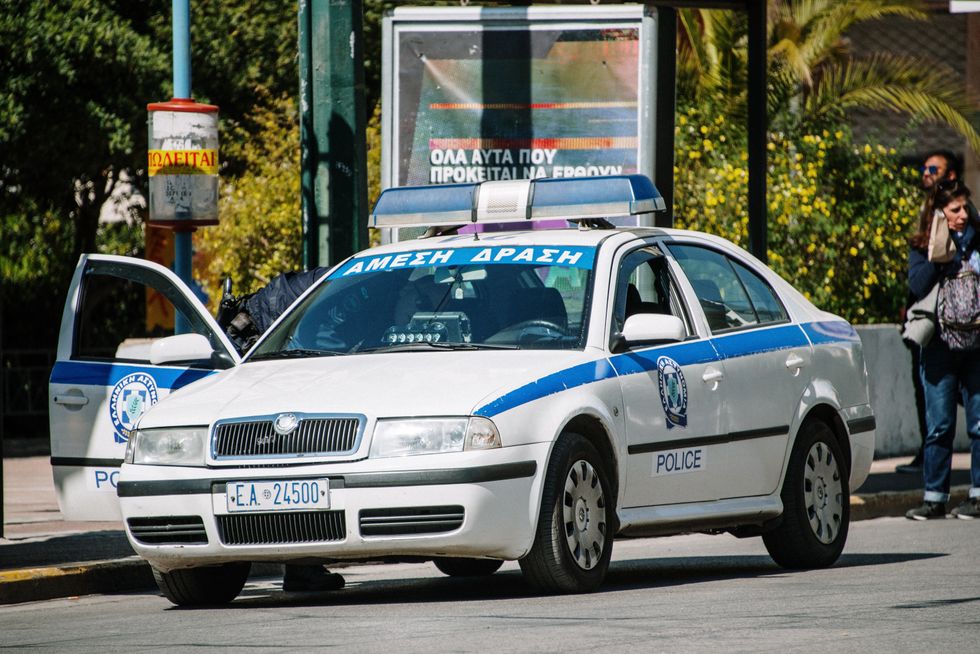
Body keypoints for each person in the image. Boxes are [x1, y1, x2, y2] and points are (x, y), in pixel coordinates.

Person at [905, 178, 980, 520]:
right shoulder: (922, 248)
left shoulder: (978, 242)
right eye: (955, 209)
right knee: (940, 425)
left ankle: (978, 496)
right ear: (939, 214)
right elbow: (917, 287)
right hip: (940, 347)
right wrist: (939, 254)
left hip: (976, 346)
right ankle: (935, 498)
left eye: (966, 208)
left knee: (979, 424)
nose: (962, 215)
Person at [896, 150, 964, 474]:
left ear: (950, 175)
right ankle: (933, 483)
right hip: (932, 326)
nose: (925, 173)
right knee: (934, 404)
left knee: (961, 406)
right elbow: (919, 278)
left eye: (932, 168)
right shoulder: (927, 217)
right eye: (923, 168)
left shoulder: (964, 221)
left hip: (960, 327)